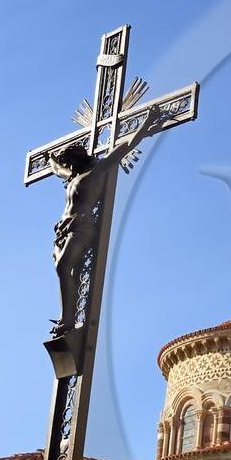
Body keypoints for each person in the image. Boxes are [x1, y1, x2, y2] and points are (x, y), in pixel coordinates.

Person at [48, 109, 151, 338]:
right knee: (67, 272)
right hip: (63, 230)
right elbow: (56, 169)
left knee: (63, 267)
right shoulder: (72, 176)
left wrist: (145, 127)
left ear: (77, 159)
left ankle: (67, 319)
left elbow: (124, 148)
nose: (68, 168)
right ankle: (67, 318)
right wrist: (50, 159)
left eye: (70, 162)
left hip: (82, 225)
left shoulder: (96, 171)